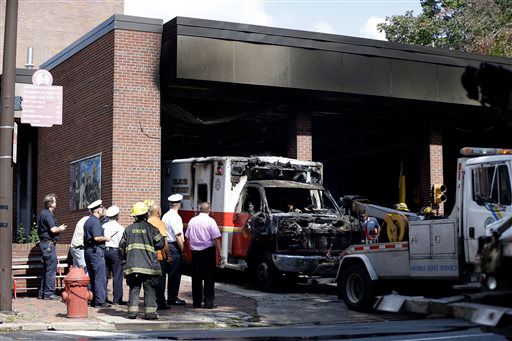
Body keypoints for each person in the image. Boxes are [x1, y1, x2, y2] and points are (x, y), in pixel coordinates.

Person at [119, 202, 165, 320]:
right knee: (149, 289)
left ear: (134, 216)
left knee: (134, 288)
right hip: (149, 266)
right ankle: (150, 314)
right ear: (145, 215)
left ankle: (132, 313)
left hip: (132, 267)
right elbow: (160, 244)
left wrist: (124, 259)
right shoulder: (152, 229)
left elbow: (121, 247)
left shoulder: (128, 230)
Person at [185, 202, 222, 309]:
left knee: (196, 278)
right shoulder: (211, 221)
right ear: (209, 210)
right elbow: (216, 239)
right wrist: (219, 253)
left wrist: (191, 247)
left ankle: (196, 302)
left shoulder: (192, 220)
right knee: (209, 277)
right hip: (208, 251)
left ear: (199, 210)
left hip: (195, 252)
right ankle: (208, 302)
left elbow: (188, 236)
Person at [37, 193, 67, 300]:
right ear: (50, 203)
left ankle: (42, 293)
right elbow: (53, 229)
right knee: (51, 269)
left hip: (44, 244)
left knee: (46, 269)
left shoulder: (43, 213)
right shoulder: (48, 214)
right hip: (48, 244)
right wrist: (61, 228)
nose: (56, 203)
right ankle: (49, 293)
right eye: (54, 201)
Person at [83, 200, 111, 308]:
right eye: (102, 208)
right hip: (96, 251)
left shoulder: (88, 221)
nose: (103, 210)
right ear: (98, 209)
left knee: (93, 275)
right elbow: (97, 237)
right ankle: (100, 301)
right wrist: (106, 238)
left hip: (89, 251)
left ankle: (94, 299)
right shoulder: (95, 222)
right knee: (100, 276)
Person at [145, 200, 172, 310]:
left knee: (149, 280)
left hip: (147, 256)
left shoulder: (145, 223)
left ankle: (150, 300)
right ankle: (160, 301)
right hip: (159, 256)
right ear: (158, 213)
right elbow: (164, 241)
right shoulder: (160, 224)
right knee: (160, 280)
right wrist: (169, 255)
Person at [161, 194, 186, 306]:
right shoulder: (176, 217)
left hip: (166, 244)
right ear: (179, 204)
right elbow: (178, 236)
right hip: (174, 246)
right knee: (174, 274)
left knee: (166, 273)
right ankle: (172, 297)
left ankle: (164, 296)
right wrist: (183, 250)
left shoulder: (165, 215)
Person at [102, 205, 125, 305]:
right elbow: (122, 243)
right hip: (116, 251)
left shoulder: (102, 226)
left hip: (104, 250)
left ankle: (103, 297)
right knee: (117, 276)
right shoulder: (120, 228)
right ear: (117, 216)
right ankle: (117, 299)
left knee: (104, 276)